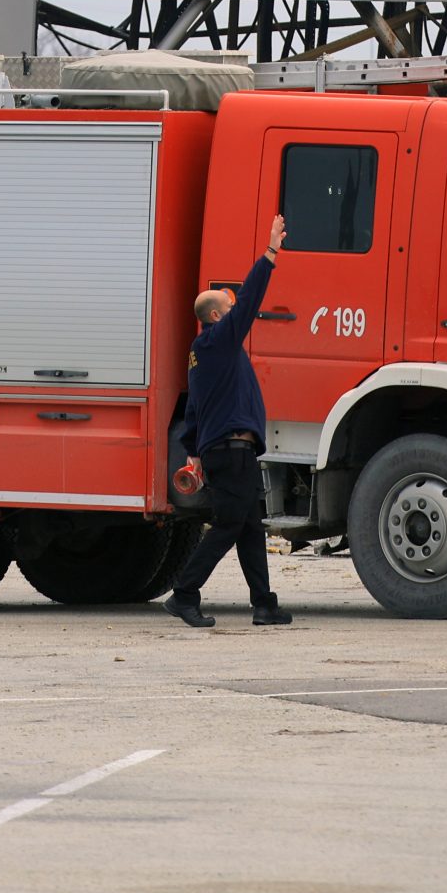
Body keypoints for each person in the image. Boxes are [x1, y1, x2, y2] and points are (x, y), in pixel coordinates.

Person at [165, 214, 292, 629]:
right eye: (228, 305)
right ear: (217, 317)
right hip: (231, 451)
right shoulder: (219, 341)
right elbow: (251, 298)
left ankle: (264, 605)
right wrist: (270, 252)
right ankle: (184, 594)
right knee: (228, 526)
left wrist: (193, 452)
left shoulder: (201, 354)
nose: (234, 306)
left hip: (227, 451)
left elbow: (195, 409)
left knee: (250, 528)